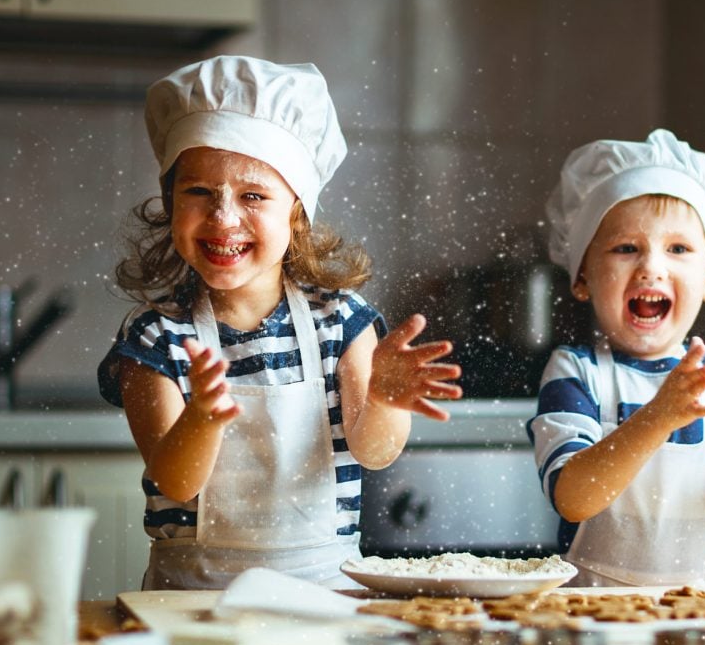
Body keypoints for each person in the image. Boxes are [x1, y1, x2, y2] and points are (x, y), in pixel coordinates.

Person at [97, 56, 462, 590]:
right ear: (170, 203)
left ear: (296, 213)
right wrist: (202, 417)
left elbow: (374, 453)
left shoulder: (342, 321)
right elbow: (175, 481)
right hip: (193, 600)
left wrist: (382, 399)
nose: (223, 217)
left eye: (253, 196)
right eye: (198, 191)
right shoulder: (155, 339)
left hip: (326, 594)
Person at [529, 129, 705, 587]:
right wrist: (658, 417)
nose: (651, 266)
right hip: (592, 616)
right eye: (626, 248)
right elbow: (572, 496)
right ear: (583, 275)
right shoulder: (576, 371)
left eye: (679, 249)